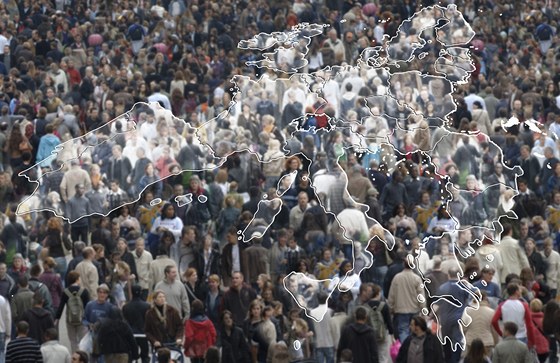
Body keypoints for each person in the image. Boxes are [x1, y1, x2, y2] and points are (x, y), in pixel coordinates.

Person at [55, 271, 89, 355]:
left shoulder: (66, 292)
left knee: (73, 341)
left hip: (70, 320)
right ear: (77, 280)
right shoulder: (84, 291)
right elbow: (87, 307)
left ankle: (75, 357)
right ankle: (82, 358)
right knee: (82, 340)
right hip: (82, 320)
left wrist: (57, 318)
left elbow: (61, 306)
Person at [122, 284, 150, 363]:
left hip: (131, 334)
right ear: (141, 292)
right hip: (143, 334)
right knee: (145, 356)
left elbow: (124, 320)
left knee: (131, 356)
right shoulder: (147, 306)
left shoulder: (126, 307)